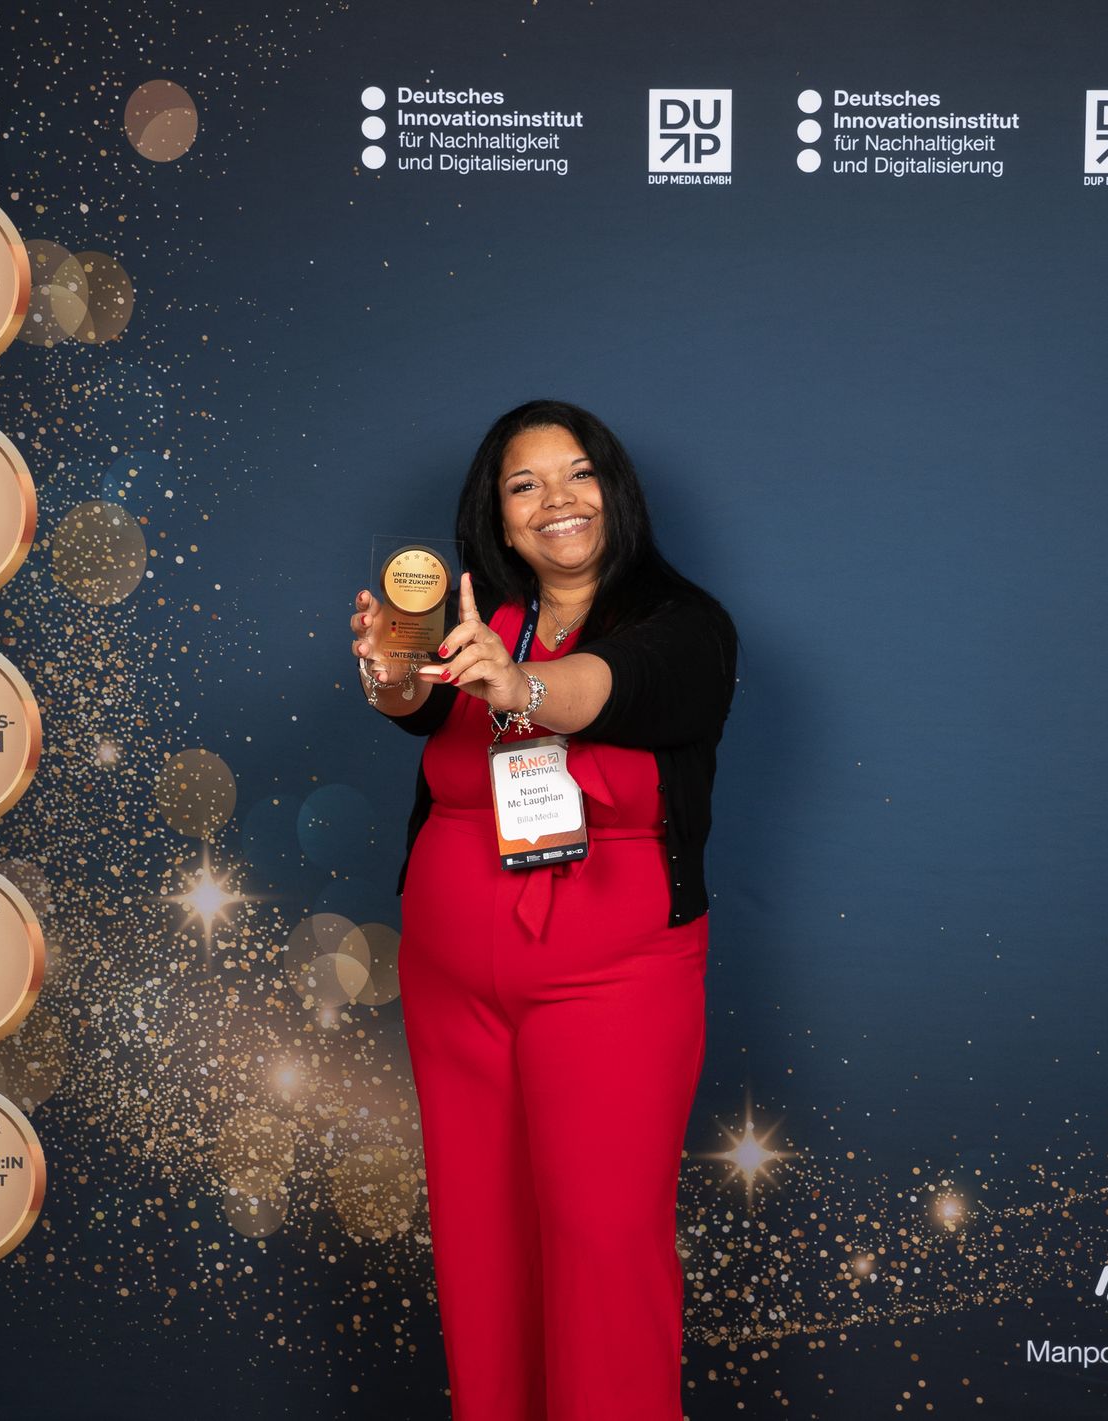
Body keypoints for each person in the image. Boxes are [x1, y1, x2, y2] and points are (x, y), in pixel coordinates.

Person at [347, 399, 738, 1421]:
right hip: (451, 985)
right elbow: (417, 704)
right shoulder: (486, 621)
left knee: (602, 1245)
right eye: (526, 485)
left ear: (617, 491)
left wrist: (516, 683)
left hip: (612, 981)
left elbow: (607, 685)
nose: (556, 500)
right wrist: (389, 670)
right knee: (481, 1244)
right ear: (500, 518)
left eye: (579, 473)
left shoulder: (685, 628)